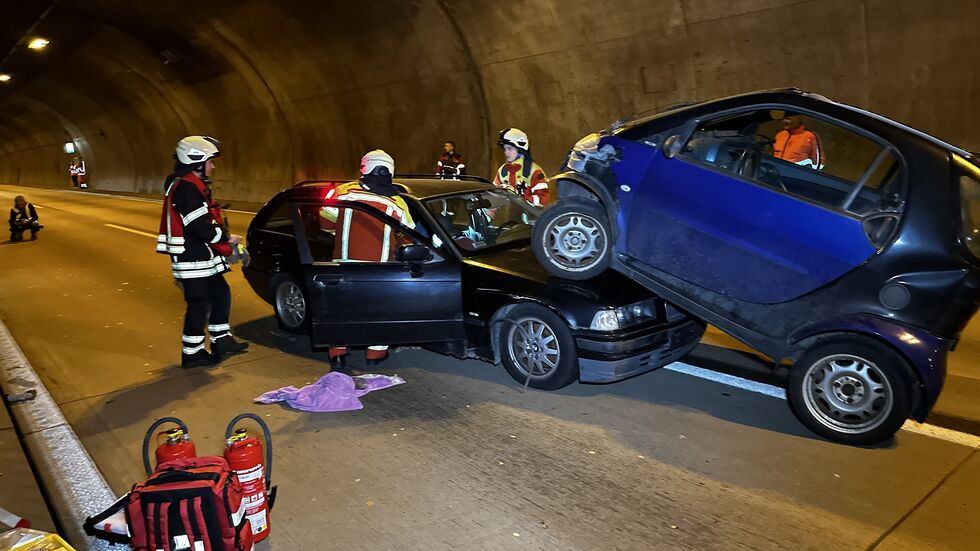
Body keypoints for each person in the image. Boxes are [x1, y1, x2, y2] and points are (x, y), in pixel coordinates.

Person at [156, 135, 249, 368]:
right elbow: (199, 226)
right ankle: (192, 353)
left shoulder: (190, 185)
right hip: (192, 256)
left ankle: (221, 340)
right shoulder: (187, 188)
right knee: (200, 303)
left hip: (202, 254)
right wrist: (227, 238)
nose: (213, 166)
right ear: (196, 161)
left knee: (220, 293)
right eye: (210, 161)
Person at [318, 149, 415, 371]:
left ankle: (338, 354)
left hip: (343, 263)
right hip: (378, 268)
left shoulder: (344, 192)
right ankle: (375, 354)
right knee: (378, 310)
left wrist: (341, 232)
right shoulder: (396, 201)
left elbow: (325, 222)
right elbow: (408, 234)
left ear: (364, 168)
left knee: (341, 310)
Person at [492, 128, 550, 206]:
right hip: (507, 214)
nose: (506, 152)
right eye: (504, 149)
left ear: (520, 149)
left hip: (529, 214)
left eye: (510, 149)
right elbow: (494, 198)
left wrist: (523, 200)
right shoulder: (502, 171)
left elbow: (543, 199)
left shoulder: (534, 171)